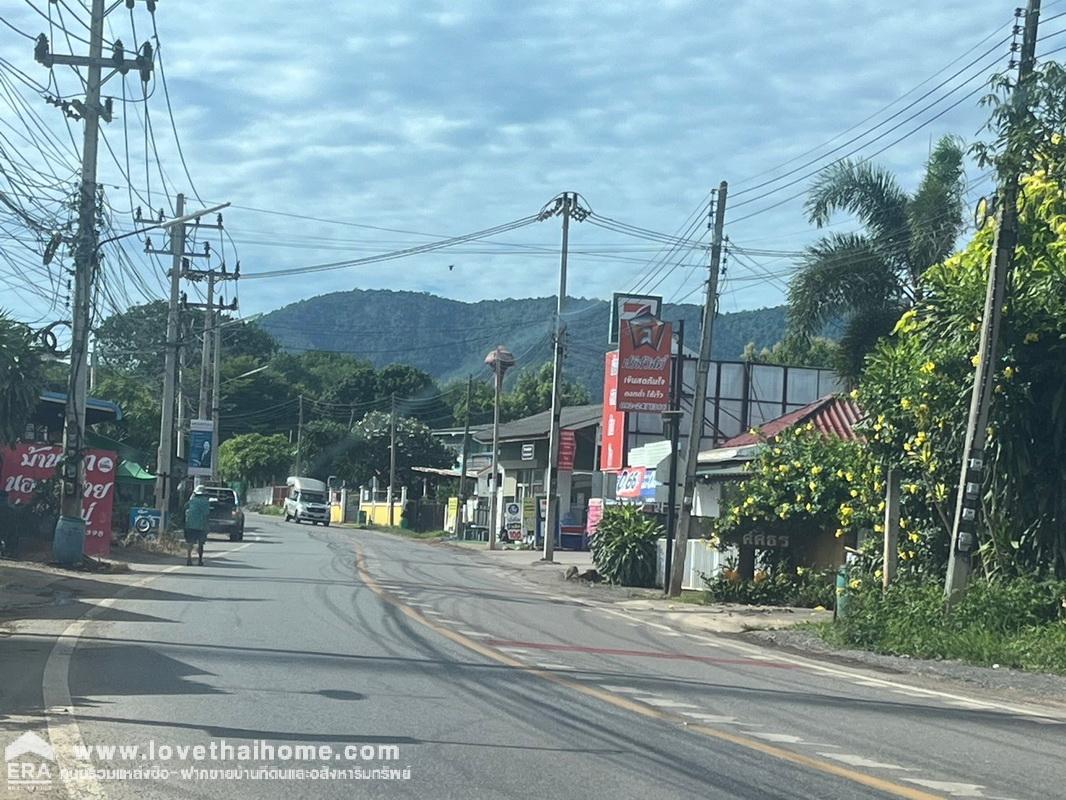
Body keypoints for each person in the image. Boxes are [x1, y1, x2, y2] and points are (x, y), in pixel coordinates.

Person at [184, 488, 211, 566]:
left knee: (190, 543)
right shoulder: (205, 502)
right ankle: (200, 560)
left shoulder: (191, 501)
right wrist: (207, 525)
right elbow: (206, 514)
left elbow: (184, 508)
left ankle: (189, 559)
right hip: (200, 526)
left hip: (189, 525)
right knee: (201, 543)